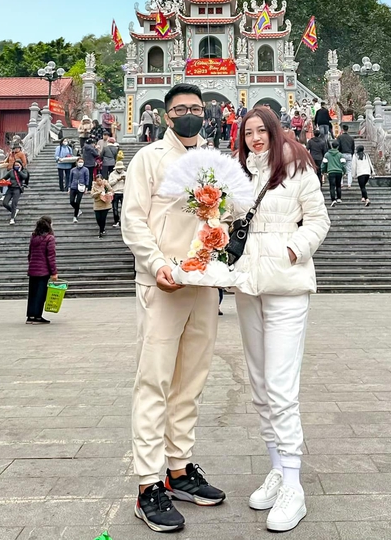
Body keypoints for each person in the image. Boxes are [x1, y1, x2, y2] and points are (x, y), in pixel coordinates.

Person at [122, 83, 226, 533]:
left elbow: (230, 211)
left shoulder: (212, 161)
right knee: (154, 382)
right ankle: (148, 485)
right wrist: (157, 263)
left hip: (203, 283)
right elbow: (134, 220)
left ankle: (179, 468)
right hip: (162, 283)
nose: (189, 115)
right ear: (166, 116)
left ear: (206, 114)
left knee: (191, 380)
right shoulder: (147, 160)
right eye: (180, 109)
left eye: (196, 109)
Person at [233, 106, 330, 532]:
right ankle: (276, 467)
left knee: (280, 384)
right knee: (258, 383)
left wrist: (292, 250)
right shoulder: (237, 174)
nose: (255, 138)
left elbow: (319, 220)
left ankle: (294, 483)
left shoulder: (297, 168)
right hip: (247, 284)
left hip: (287, 285)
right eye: (248, 132)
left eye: (261, 131)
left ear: (275, 132)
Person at [26, 216, 58, 325]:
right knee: (41, 294)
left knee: (33, 293)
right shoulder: (49, 238)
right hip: (43, 270)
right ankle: (38, 316)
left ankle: (30, 316)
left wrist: (31, 265)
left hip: (33, 270)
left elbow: (29, 254)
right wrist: (54, 272)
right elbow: (51, 257)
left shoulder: (33, 237)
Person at [322, 142, 347, 206]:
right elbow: (343, 164)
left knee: (332, 186)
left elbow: (324, 164)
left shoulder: (327, 154)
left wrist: (323, 171)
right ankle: (339, 198)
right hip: (339, 172)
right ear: (338, 147)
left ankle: (333, 199)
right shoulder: (340, 154)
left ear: (332, 146)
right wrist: (344, 171)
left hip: (331, 172)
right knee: (338, 185)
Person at [68, 158, 89, 223]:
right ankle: (78, 209)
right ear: (77, 162)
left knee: (78, 202)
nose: (81, 163)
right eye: (79, 162)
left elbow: (87, 178)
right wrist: (69, 187)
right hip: (73, 186)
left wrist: (86, 187)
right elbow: (70, 179)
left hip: (81, 187)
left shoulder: (85, 170)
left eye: (82, 162)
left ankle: (75, 216)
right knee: (71, 201)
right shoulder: (73, 170)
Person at [109, 159, 126, 228]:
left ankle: (123, 221)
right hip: (115, 192)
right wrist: (117, 179)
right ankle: (116, 221)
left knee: (124, 208)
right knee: (115, 208)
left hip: (123, 192)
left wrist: (125, 179)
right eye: (118, 168)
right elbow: (109, 183)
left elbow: (130, 183)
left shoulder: (125, 173)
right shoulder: (112, 174)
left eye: (121, 168)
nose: (120, 169)